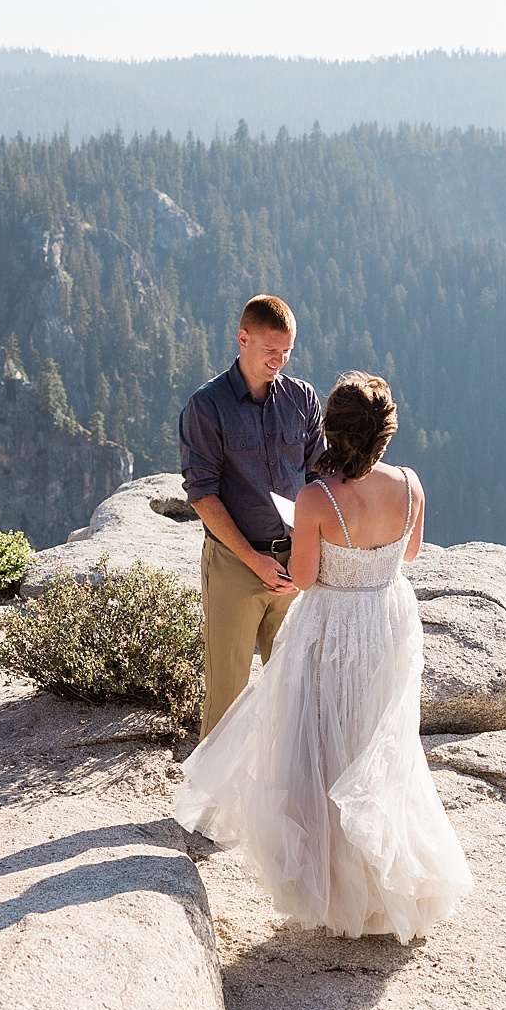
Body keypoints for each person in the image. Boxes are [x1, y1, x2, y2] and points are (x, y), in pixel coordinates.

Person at [171, 371, 472, 943]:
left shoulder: (316, 497)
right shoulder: (410, 484)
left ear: (329, 430)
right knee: (379, 744)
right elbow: (410, 551)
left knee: (322, 741)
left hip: (332, 626)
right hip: (386, 620)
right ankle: (386, 881)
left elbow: (306, 577)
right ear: (385, 435)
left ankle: (332, 881)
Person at [178, 294, 325, 738]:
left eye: (287, 352)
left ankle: (278, 802)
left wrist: (308, 556)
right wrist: (254, 561)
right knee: (227, 696)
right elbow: (202, 496)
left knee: (295, 692)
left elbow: (321, 478)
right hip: (234, 567)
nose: (279, 361)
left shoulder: (302, 399)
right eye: (270, 351)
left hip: (295, 565)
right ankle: (209, 808)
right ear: (242, 339)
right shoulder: (206, 407)